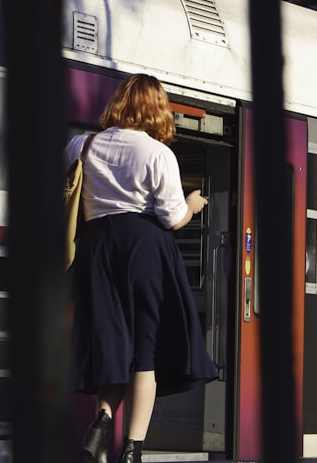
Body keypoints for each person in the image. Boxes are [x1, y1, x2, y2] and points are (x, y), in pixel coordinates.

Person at [66, 73, 217, 463]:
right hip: (143, 249)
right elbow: (171, 219)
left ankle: (101, 422)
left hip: (96, 248)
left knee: (111, 341)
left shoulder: (82, 144)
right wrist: (193, 205)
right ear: (156, 108)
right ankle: (133, 450)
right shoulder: (157, 153)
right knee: (143, 351)